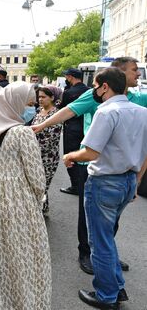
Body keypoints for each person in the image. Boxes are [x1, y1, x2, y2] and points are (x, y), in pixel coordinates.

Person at [32, 57, 146, 275]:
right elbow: (70, 111)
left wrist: (137, 177)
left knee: (111, 218)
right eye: (134, 70)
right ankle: (87, 253)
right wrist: (42, 125)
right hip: (95, 167)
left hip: (123, 174)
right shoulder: (98, 98)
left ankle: (106, 255)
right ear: (119, 75)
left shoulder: (138, 100)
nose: (138, 74)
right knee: (90, 216)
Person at [62, 68, 147, 310]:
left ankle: (106, 295)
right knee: (106, 237)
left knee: (99, 242)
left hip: (105, 182)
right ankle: (116, 287)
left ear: (105, 87)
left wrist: (70, 155)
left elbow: (91, 151)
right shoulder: (142, 112)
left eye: (96, 86)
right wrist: (136, 182)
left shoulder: (106, 111)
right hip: (128, 180)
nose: (94, 91)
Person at [0, 82, 51, 310]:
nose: (31, 109)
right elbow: (36, 177)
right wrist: (38, 198)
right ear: (15, 104)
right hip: (18, 201)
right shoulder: (22, 133)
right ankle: (20, 302)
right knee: (20, 254)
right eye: (29, 104)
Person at [31, 86, 63, 215]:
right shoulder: (39, 111)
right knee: (37, 183)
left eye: (43, 97)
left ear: (52, 98)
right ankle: (42, 209)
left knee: (42, 184)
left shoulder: (55, 114)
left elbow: (51, 140)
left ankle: (38, 211)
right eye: (39, 97)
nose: (40, 99)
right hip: (35, 154)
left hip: (48, 157)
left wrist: (32, 148)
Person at [59, 68, 89, 196]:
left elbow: (64, 110)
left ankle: (75, 185)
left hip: (71, 127)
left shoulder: (68, 92)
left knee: (70, 155)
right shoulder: (89, 91)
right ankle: (84, 183)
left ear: (70, 77)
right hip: (86, 126)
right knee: (84, 155)